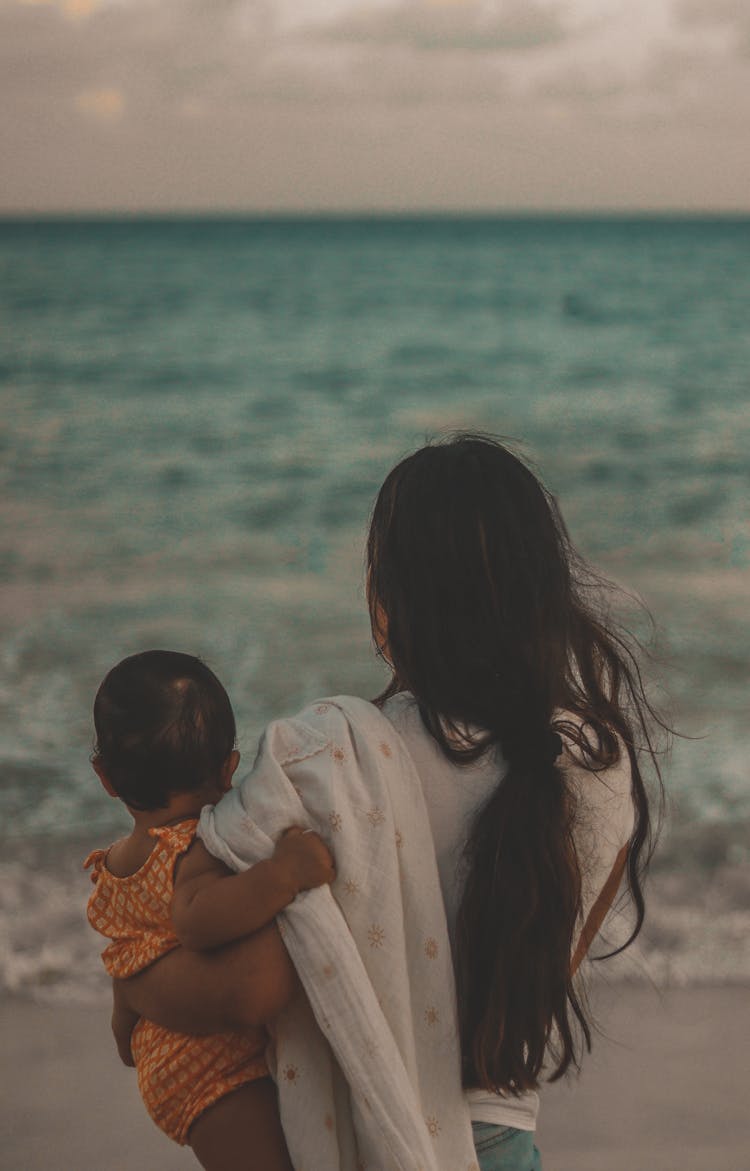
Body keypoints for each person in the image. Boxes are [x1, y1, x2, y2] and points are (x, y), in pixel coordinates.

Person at [112, 436, 664, 1171]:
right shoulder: (597, 766)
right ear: (545, 595)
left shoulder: (324, 759)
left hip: (360, 1139)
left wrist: (131, 976)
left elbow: (246, 987)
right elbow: (537, 978)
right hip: (504, 1144)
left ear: (390, 603)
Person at [85, 650, 335, 1171]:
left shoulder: (119, 859)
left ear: (105, 777)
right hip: (211, 1070)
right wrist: (283, 874)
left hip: (166, 1053)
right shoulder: (193, 846)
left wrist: (124, 1018)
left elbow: (131, 951)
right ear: (229, 770)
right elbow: (195, 921)